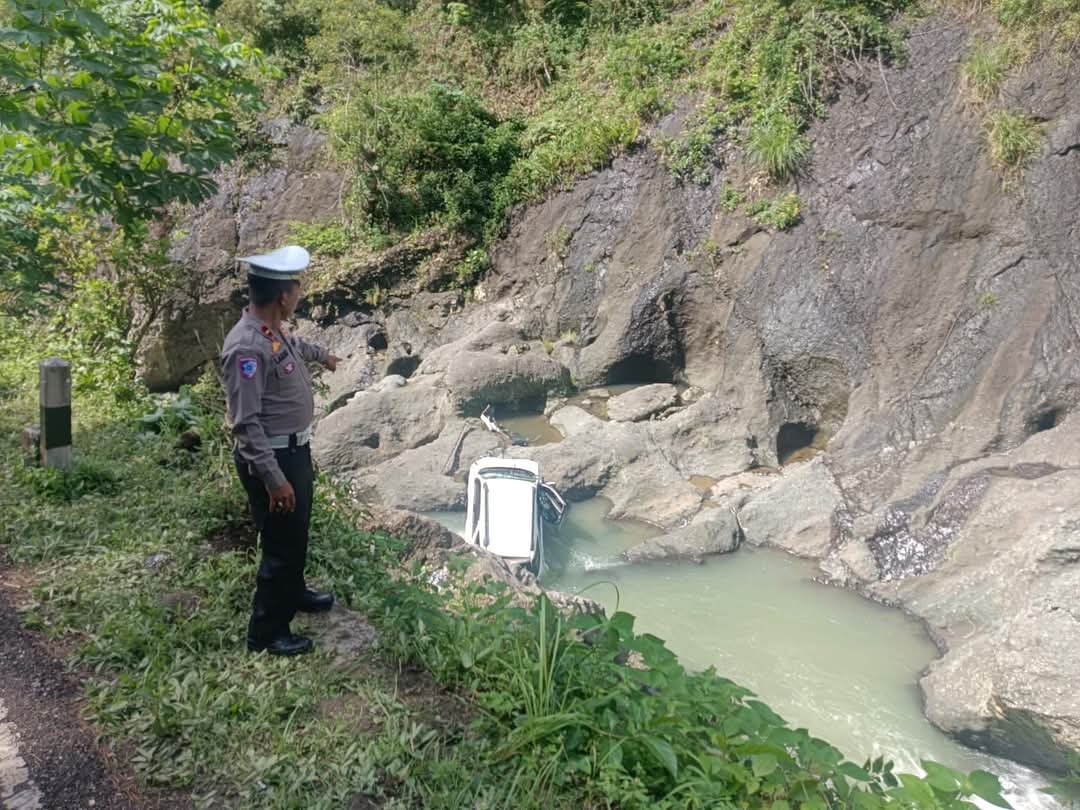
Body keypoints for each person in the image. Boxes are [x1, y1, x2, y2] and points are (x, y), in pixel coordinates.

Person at [220, 245, 341, 656]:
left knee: (296, 534)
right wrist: (274, 480)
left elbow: (294, 348)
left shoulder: (270, 332)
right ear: (283, 296)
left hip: (293, 452)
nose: (300, 294)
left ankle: (294, 592)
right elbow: (245, 424)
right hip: (273, 459)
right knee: (280, 546)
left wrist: (323, 356)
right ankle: (267, 634)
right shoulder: (246, 348)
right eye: (297, 288)